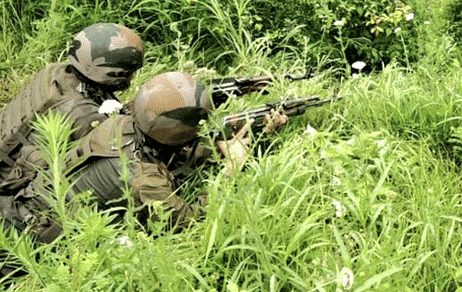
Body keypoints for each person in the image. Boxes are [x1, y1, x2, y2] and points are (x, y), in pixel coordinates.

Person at [0, 71, 287, 248]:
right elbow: (193, 222)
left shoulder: (119, 124)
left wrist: (217, 147)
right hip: (24, 239)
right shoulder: (144, 181)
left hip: (21, 201)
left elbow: (164, 148)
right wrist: (232, 170)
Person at [0, 23, 145, 182]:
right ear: (112, 74)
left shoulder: (56, 71)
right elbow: (117, 154)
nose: (132, 77)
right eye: (130, 72)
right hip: (11, 178)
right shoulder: (83, 115)